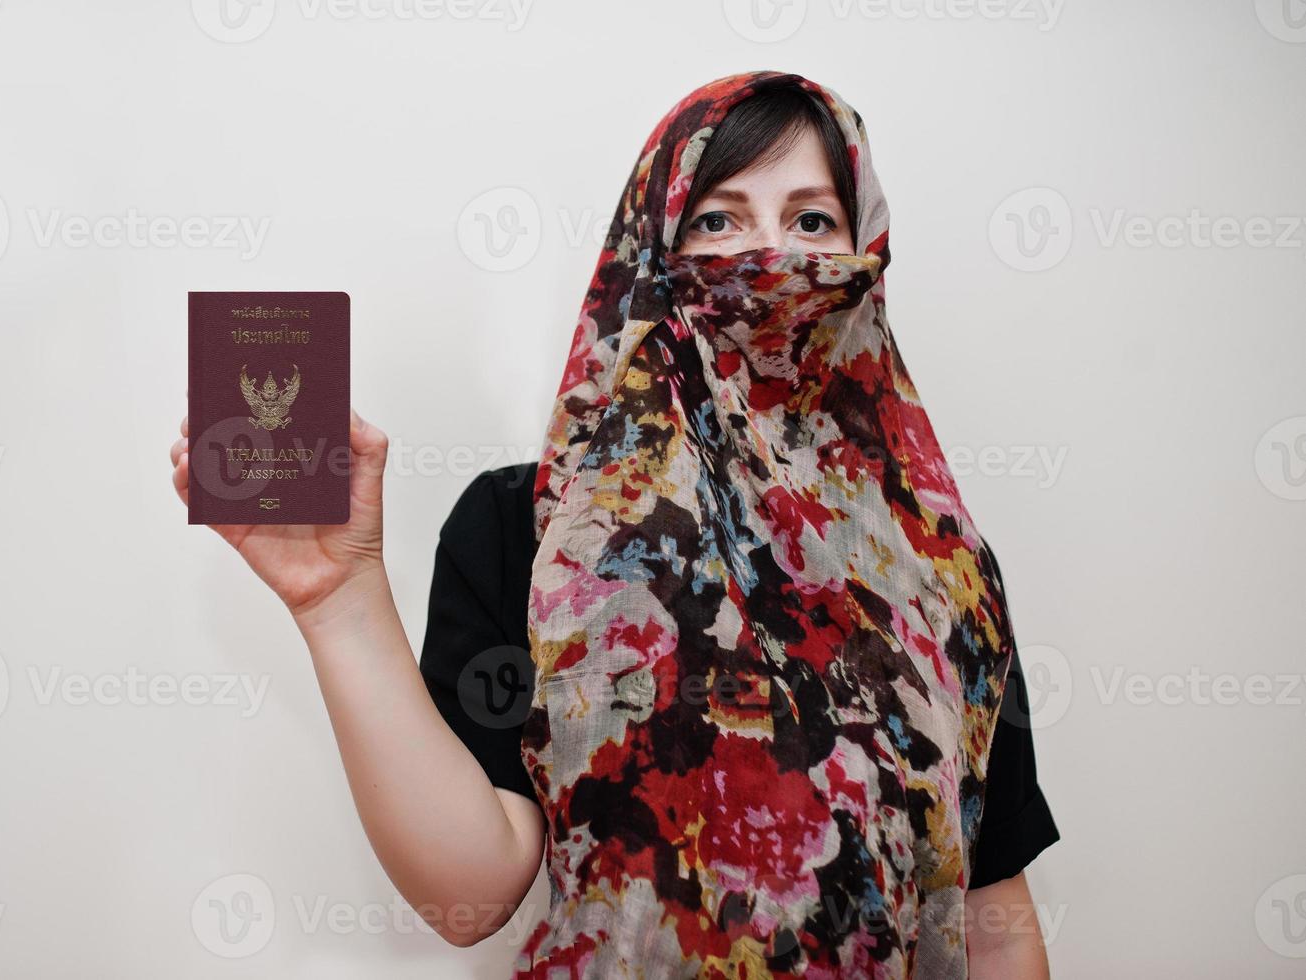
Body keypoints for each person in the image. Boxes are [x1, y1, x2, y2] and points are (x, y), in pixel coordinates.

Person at [170, 71, 1059, 979]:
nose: (767, 255)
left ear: (863, 254)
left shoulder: (939, 565)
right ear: (650, 254)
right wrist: (339, 601)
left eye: (811, 222)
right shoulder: (526, 527)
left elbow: (991, 911)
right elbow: (469, 897)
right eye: (715, 220)